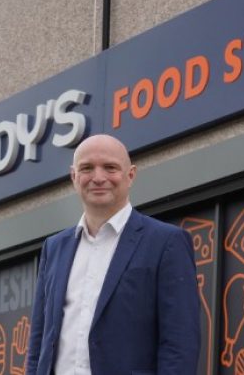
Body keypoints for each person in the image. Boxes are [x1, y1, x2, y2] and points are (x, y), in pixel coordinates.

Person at [26, 134, 200, 375]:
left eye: (110, 168)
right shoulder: (54, 248)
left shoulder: (166, 242)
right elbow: (38, 340)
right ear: (74, 176)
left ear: (130, 175)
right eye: (87, 168)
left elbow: (180, 343)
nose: (98, 178)